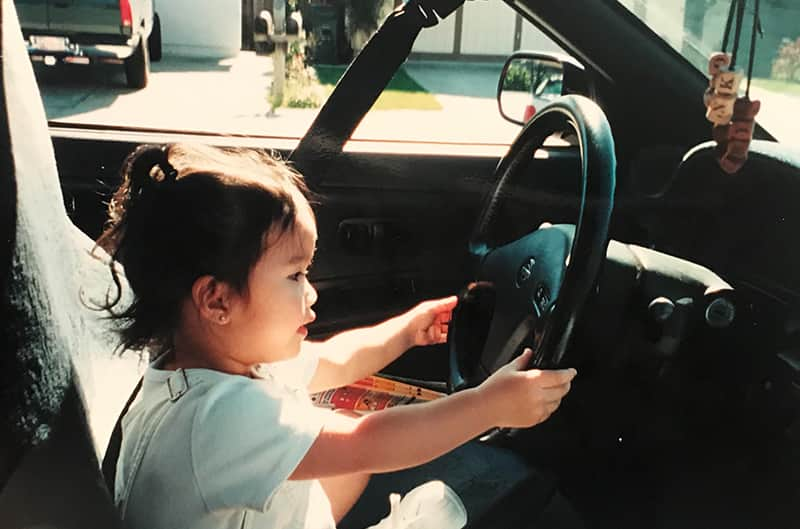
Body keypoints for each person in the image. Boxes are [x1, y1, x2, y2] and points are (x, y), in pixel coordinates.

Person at [95, 143, 577, 529]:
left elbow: (333, 359)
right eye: (295, 276)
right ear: (217, 301)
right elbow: (371, 440)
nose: (311, 295)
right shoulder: (218, 421)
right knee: (368, 450)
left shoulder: (207, 361)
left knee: (341, 435)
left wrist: (406, 331)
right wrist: (489, 406)